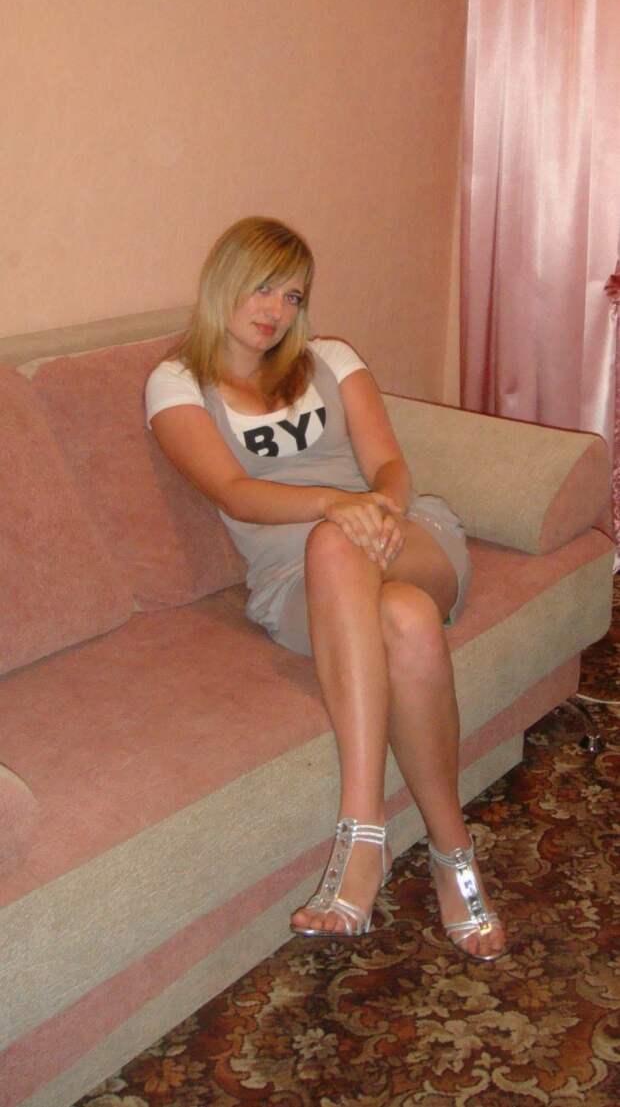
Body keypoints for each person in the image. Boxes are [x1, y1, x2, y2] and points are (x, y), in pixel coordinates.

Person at [145, 216, 506, 960]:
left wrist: (377, 512)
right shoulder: (176, 382)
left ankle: (361, 835)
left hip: (405, 539)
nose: (276, 309)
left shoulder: (332, 360)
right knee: (405, 619)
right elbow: (234, 493)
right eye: (262, 287)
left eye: (292, 295)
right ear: (222, 281)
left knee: (354, 552)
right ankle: (453, 853)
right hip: (296, 586)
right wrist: (333, 507)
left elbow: (390, 469)